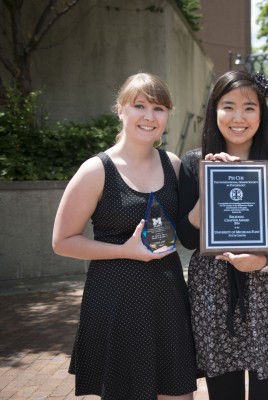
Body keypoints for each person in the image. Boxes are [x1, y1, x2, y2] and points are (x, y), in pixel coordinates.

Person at [52, 73, 198, 399]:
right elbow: (62, 242)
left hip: (167, 296)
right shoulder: (96, 170)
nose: (149, 116)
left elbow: (190, 227)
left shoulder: (172, 164)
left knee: (178, 393)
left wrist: (218, 176)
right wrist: (126, 250)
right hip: (116, 298)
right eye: (139, 106)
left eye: (159, 108)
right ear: (121, 110)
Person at [176, 70, 268, 400]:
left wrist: (262, 260)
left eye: (249, 107)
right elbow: (188, 238)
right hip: (214, 294)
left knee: (267, 394)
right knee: (223, 394)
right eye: (228, 106)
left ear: (262, 112)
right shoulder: (193, 163)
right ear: (214, 110)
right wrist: (212, 183)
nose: (238, 117)